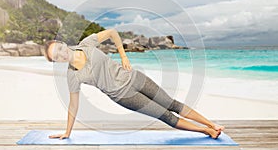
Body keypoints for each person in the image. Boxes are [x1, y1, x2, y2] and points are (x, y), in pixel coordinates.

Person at [44, 28, 225, 140]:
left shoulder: (86, 44)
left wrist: (123, 55)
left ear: (63, 43)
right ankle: (206, 131)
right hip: (124, 96)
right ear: (57, 62)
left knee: (172, 104)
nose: (62, 54)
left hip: (135, 78)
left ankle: (213, 124)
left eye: (59, 49)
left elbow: (112, 33)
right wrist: (67, 132)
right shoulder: (73, 76)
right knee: (166, 116)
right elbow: (73, 105)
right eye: (56, 57)